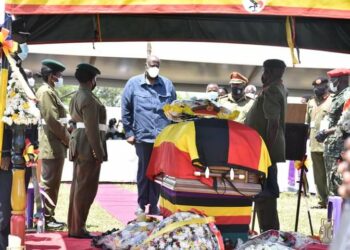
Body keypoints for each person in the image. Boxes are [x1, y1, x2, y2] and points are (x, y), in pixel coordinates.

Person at [121, 55, 176, 215]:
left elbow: (174, 110)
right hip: (142, 136)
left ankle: (153, 204)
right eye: (152, 65)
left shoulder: (167, 85)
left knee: (158, 173)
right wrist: (129, 132)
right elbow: (126, 109)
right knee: (144, 171)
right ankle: (141, 203)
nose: (154, 68)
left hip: (162, 137)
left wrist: (172, 134)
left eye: (157, 65)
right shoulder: (133, 83)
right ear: (146, 66)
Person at [245, 59, 288, 232]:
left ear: (270, 72)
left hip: (264, 151)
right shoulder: (277, 88)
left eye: (266, 71)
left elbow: (274, 123)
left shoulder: (272, 91)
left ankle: (269, 232)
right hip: (263, 149)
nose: (264, 74)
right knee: (264, 192)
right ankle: (269, 230)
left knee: (265, 194)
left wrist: (266, 149)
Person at [68, 63, 107, 239]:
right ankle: (78, 228)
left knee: (78, 187)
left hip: (79, 143)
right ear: (92, 80)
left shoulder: (76, 95)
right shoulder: (89, 99)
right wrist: (98, 153)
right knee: (86, 189)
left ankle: (75, 226)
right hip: (87, 146)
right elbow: (92, 130)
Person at [36, 59, 70, 230]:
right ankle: (46, 219)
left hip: (55, 144)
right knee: (50, 183)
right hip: (52, 144)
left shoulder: (51, 91)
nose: (60, 78)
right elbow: (53, 121)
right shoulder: (46, 92)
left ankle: (48, 217)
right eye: (58, 75)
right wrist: (68, 139)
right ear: (51, 76)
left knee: (53, 183)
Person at [316, 69, 350, 195]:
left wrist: (326, 132)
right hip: (332, 145)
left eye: (332, 80)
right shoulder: (339, 96)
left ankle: (338, 214)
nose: (331, 84)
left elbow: (346, 124)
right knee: (331, 181)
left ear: (340, 80)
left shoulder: (347, 96)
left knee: (337, 182)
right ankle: (332, 213)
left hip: (339, 147)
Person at [305, 77, 332, 209]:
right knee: (318, 174)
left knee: (330, 174)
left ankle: (332, 201)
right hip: (314, 144)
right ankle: (322, 200)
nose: (317, 90)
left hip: (329, 145)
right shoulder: (311, 102)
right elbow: (307, 123)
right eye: (315, 88)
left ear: (326, 87)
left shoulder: (332, 101)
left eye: (320, 88)